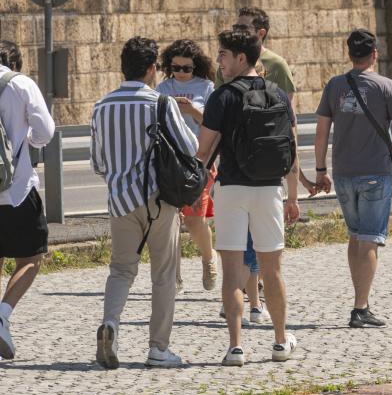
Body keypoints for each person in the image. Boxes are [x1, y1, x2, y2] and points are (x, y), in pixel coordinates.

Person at [90, 38, 197, 369]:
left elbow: (98, 162)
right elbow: (190, 147)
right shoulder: (159, 103)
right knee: (163, 274)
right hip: (157, 201)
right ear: (152, 69)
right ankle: (158, 348)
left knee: (121, 269)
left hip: (120, 200)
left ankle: (111, 324)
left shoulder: (101, 106)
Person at [197, 26, 301, 366]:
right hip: (270, 189)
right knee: (273, 271)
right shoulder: (278, 95)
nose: (219, 62)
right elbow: (292, 146)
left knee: (232, 273)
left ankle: (236, 347)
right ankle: (281, 342)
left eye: (223, 56)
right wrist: (292, 195)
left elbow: (203, 150)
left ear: (241, 58)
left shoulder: (222, 97)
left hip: (231, 189)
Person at [312, 29, 392, 328]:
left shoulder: (335, 85)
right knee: (371, 239)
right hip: (375, 171)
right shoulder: (386, 86)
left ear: (350, 54)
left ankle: (359, 297)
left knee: (355, 234)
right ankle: (360, 307)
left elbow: (322, 130)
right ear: (374, 53)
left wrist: (321, 170)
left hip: (344, 173)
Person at [234, 7, 306, 325]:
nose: (236, 29)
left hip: (266, 164)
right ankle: (244, 293)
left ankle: (255, 291)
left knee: (263, 240)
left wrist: (296, 175)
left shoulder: (277, 66)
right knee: (239, 238)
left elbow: (287, 124)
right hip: (235, 162)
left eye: (243, 26)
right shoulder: (230, 60)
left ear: (260, 32)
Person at [0, 41, 56, 361]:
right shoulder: (20, 84)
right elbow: (45, 131)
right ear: (15, 63)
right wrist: (29, 139)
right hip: (18, 189)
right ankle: (3, 314)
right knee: (31, 259)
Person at [157, 39, 218, 290]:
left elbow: (214, 123)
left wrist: (192, 110)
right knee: (170, 220)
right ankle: (175, 275)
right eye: (176, 68)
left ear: (196, 67)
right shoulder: (162, 87)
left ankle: (208, 257)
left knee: (194, 220)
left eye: (186, 68)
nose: (181, 73)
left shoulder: (206, 87)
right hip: (169, 160)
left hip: (199, 160)